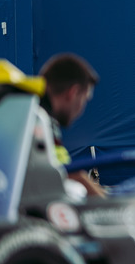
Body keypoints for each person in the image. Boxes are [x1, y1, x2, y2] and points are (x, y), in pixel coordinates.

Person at [39, 53, 105, 197]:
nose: (81, 109)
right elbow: (67, 174)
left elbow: (65, 169)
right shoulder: (38, 118)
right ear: (73, 92)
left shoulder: (34, 111)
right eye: (84, 99)